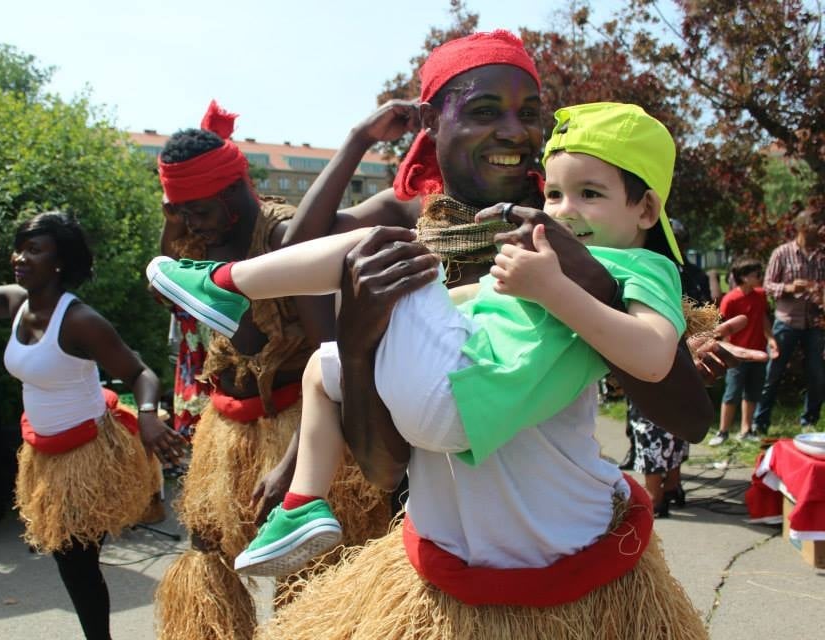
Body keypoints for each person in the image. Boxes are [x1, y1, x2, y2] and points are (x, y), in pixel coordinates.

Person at [250, 30, 765, 639]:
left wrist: (590, 290)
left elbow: (685, 411)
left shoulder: (569, 230)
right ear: (430, 126)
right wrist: (356, 346)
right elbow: (385, 468)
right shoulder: (406, 236)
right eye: (484, 111)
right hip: (441, 571)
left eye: (529, 115)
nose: (514, 132)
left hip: (579, 572)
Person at [148, 101, 691, 576]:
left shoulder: (639, 267)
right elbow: (471, 301)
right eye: (554, 193)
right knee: (323, 367)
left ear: (645, 209)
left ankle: (226, 285)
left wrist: (551, 289)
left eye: (589, 194)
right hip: (447, 400)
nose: (564, 211)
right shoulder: (543, 259)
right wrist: (403, 304)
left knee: (380, 245)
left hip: (455, 398)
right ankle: (301, 505)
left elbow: (652, 356)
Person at [149, 102, 391, 640]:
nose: (188, 224)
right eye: (178, 212)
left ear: (233, 191)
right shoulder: (199, 241)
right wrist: (177, 215)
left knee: (304, 576)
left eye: (197, 211)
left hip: (298, 426)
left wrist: (293, 463)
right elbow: (167, 270)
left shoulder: (285, 240)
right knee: (207, 555)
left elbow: (332, 361)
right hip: (225, 433)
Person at [0, 211, 181, 640]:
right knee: (71, 559)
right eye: (20, 248)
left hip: (89, 455)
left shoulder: (80, 321)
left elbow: (140, 374)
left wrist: (148, 418)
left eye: (34, 250)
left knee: (75, 559)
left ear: (60, 263)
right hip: (44, 450)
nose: (20, 257)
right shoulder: (17, 303)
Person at [625, 216, 716, 516]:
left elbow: (704, 314)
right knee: (670, 423)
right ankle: (671, 487)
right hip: (672, 356)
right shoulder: (671, 271)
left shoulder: (646, 269)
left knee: (655, 424)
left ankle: (658, 496)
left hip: (666, 356)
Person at [752, 210, 825, 435]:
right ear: (802, 228)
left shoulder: (822, 256)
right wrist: (790, 288)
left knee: (817, 375)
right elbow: (767, 285)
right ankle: (759, 423)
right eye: (816, 225)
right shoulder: (782, 253)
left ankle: (809, 421)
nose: (820, 230)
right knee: (773, 373)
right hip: (786, 323)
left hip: (814, 324)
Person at [708, 256, 779, 445]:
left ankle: (746, 430)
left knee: (752, 393)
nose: (760, 277)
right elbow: (721, 327)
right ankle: (723, 432)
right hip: (736, 355)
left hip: (757, 352)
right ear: (745, 277)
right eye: (757, 274)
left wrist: (770, 338)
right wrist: (724, 351)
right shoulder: (730, 299)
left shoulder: (761, 295)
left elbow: (763, 317)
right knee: (732, 392)